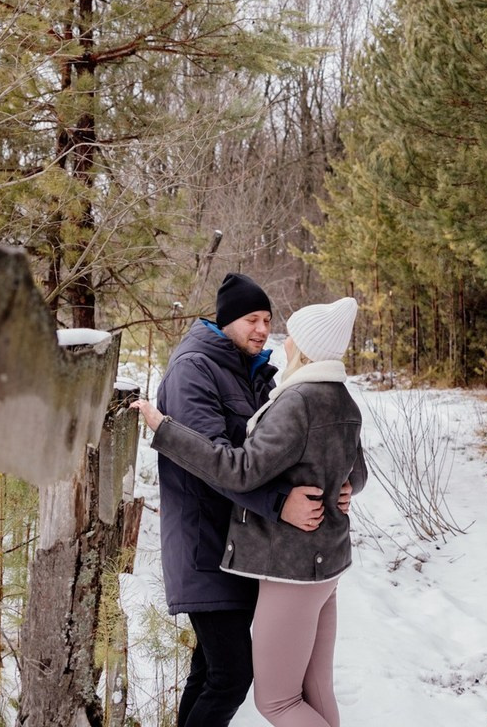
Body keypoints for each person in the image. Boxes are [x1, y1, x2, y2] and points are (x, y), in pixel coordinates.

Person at [134, 294, 365, 727]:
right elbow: (358, 473)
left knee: (278, 701)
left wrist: (164, 429)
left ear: (306, 345)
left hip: (289, 565)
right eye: (253, 319)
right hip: (324, 565)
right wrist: (344, 485)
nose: (277, 338)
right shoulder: (343, 401)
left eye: (282, 329)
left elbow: (239, 471)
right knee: (314, 689)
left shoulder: (297, 400)